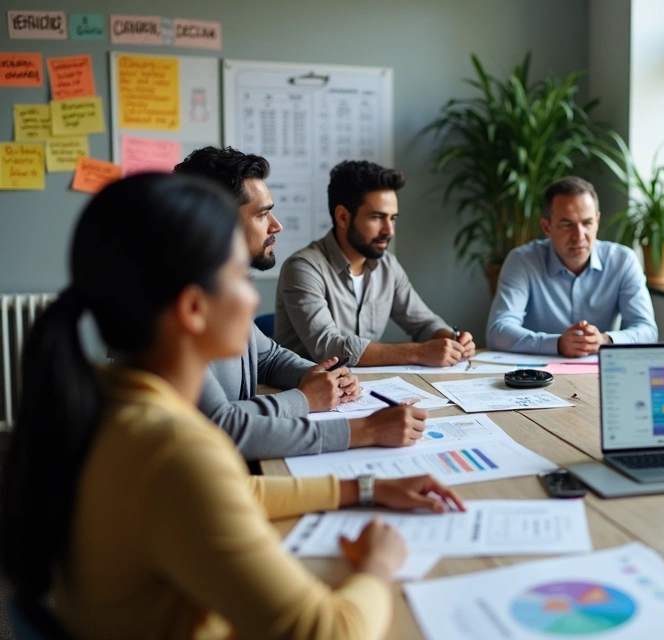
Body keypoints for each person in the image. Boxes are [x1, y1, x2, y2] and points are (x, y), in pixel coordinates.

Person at [0, 174, 465, 639]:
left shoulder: (112, 400)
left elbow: (237, 492)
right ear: (193, 309)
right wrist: (380, 565)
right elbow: (331, 633)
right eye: (235, 276)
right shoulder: (175, 454)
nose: (251, 297)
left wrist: (365, 489)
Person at [176, 147, 428, 460]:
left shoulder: (215, 289)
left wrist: (318, 376)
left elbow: (268, 357)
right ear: (216, 222)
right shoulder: (178, 309)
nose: (276, 225)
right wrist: (309, 401)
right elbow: (222, 424)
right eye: (262, 214)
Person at [276, 160, 475, 366]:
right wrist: (418, 352)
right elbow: (329, 348)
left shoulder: (388, 266)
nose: (389, 231)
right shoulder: (303, 268)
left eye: (393, 218)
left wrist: (451, 339)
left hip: (364, 390)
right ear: (343, 217)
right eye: (378, 217)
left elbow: (424, 323)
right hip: (304, 392)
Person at [486, 176, 658, 356]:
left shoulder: (623, 261)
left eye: (587, 223)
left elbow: (647, 330)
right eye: (567, 224)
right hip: (538, 375)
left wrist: (605, 340)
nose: (579, 236)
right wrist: (557, 344)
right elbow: (498, 331)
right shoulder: (522, 261)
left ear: (597, 222)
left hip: (599, 374)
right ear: (547, 227)